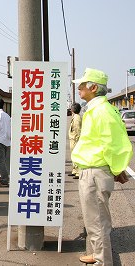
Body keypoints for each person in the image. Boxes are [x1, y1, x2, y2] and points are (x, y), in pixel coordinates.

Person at [71, 68, 133, 266]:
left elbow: (113, 144)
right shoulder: (97, 109)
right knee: (95, 219)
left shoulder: (102, 111)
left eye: (83, 84)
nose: (79, 88)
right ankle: (98, 255)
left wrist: (117, 169)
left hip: (95, 172)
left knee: (97, 221)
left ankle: (103, 262)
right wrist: (115, 169)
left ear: (94, 87)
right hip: (93, 169)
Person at [68, 102, 82, 179]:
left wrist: (77, 140)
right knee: (73, 156)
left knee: (76, 156)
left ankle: (78, 172)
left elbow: (77, 130)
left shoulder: (76, 118)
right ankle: (74, 170)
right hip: (73, 139)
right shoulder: (76, 116)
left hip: (75, 140)